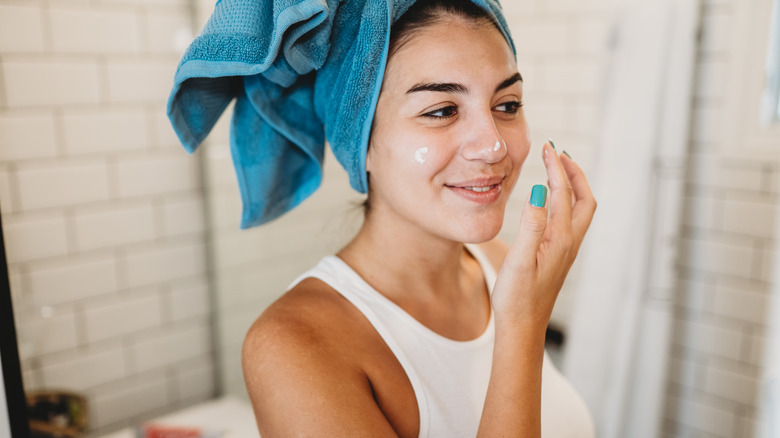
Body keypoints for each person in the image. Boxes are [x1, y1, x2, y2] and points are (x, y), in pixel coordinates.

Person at [239, 1, 598, 437]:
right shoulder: (293, 345)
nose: (493, 147)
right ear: (361, 142)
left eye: (507, 104)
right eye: (442, 111)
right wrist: (523, 327)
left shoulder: (504, 267)